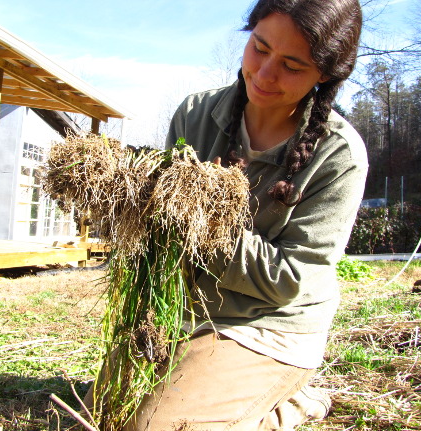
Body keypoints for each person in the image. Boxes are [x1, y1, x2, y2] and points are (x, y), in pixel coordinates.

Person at [122, 0, 368, 430]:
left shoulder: (339, 156)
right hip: (188, 314)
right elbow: (163, 232)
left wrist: (199, 219)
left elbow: (290, 279)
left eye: (292, 65)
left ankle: (291, 401)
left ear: (324, 74)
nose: (265, 73)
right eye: (260, 47)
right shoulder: (195, 114)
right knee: (104, 414)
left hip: (269, 325)